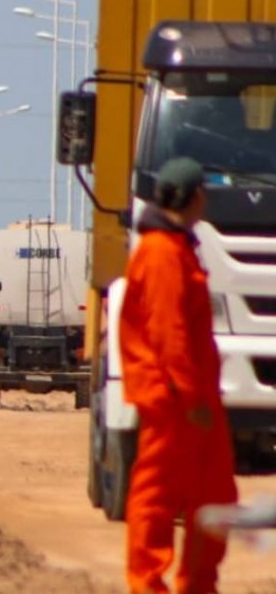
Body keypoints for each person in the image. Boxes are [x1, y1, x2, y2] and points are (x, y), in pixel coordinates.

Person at [120, 157, 238, 594]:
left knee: (216, 496)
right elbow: (169, 335)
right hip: (172, 399)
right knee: (157, 495)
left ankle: (198, 584)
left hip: (193, 397)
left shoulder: (177, 247)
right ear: (197, 197)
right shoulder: (161, 254)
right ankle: (147, 583)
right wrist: (191, 399)